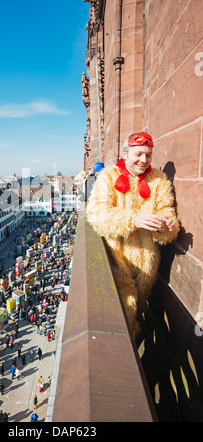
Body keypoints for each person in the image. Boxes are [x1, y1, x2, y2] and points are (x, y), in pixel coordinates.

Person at [86, 132, 179, 338]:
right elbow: (96, 214)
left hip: (148, 264)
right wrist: (132, 219)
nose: (144, 160)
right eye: (138, 154)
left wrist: (167, 225)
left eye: (148, 155)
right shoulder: (108, 177)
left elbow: (166, 209)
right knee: (123, 316)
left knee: (138, 310)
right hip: (117, 260)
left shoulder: (159, 179)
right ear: (125, 153)